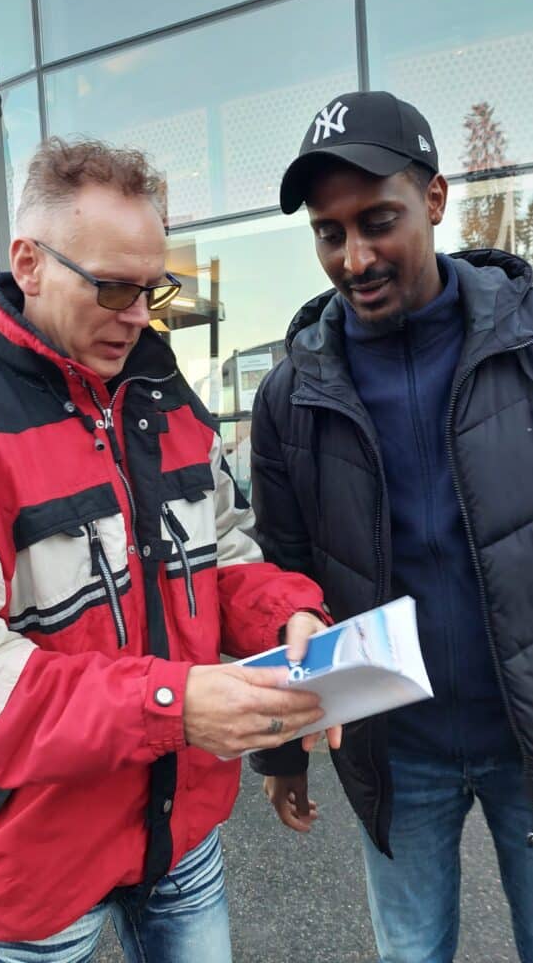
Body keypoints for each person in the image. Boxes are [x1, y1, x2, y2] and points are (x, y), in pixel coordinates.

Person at [0, 137, 340, 963]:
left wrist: (289, 613)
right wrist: (172, 706)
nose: (139, 315)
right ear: (27, 261)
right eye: (114, 287)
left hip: (182, 837)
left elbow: (226, 554)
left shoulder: (170, 403)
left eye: (152, 288)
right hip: (31, 869)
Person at [249, 90, 533, 963]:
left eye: (378, 220)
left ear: (435, 199)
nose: (354, 256)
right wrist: (283, 753)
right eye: (329, 234)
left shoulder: (523, 342)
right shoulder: (290, 395)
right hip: (396, 749)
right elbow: (284, 573)